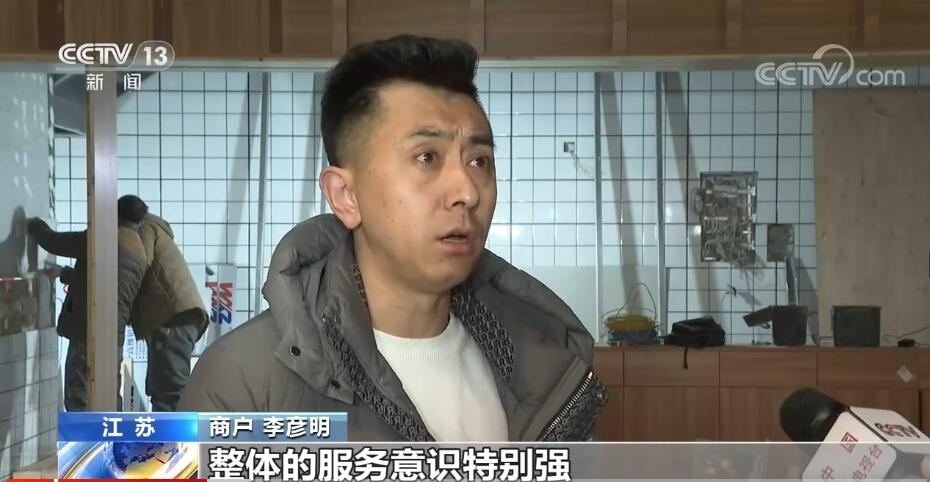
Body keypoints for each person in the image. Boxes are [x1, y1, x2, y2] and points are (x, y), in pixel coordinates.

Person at [179, 34, 607, 441]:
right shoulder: (240, 381)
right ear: (345, 196)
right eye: (427, 157)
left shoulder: (546, 365)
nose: (467, 191)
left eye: (479, 161)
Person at [27, 214, 148, 410]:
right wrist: (65, 273)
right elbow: (105, 285)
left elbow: (55, 243)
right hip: (114, 337)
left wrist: (32, 223)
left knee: (78, 398)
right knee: (108, 399)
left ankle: (85, 432)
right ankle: (111, 430)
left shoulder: (104, 239)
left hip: (89, 331)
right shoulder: (138, 251)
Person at [119, 195, 207, 412]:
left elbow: (138, 263)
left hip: (172, 317)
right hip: (177, 316)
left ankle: (171, 435)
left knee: (169, 391)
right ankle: (165, 434)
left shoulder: (144, 228)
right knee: (162, 387)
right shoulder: (154, 228)